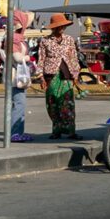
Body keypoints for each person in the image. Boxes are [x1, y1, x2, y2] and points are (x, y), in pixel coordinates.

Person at [33, 13, 81, 139]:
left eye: (62, 26)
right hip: (51, 75)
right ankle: (56, 130)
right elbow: (41, 59)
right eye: (58, 27)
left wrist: (76, 75)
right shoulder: (45, 41)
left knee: (67, 103)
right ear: (53, 28)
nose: (61, 29)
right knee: (53, 103)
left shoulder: (69, 40)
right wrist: (41, 77)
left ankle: (71, 131)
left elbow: (74, 58)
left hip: (66, 75)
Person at [8, 10, 34, 141]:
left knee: (20, 103)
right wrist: (29, 57)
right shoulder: (14, 38)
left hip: (19, 74)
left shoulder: (18, 37)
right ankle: (14, 133)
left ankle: (18, 131)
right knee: (19, 103)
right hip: (15, 75)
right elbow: (17, 57)